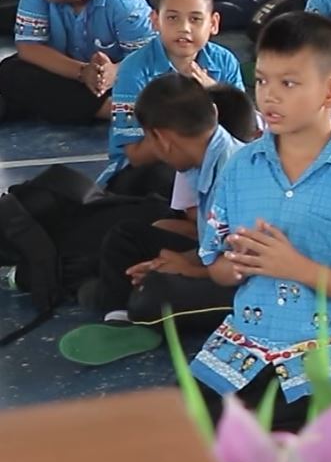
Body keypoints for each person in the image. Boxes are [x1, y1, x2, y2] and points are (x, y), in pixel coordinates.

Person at [190, 13, 331, 432]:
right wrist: (234, 266)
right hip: (247, 338)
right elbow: (215, 266)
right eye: (263, 81)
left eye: (288, 84)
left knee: (320, 440)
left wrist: (297, 268)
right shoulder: (239, 168)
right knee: (192, 432)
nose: (269, 97)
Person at [91, 74, 253, 325]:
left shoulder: (236, 175)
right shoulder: (205, 160)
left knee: (156, 298)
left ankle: (129, 299)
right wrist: (170, 262)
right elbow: (215, 246)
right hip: (221, 262)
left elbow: (248, 268)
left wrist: (189, 271)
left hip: (261, 287)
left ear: (162, 139)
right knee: (126, 237)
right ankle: (119, 312)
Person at [101, 0, 244, 191]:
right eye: (172, 18)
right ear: (155, 21)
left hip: (210, 161)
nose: (184, 28)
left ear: (213, 24)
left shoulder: (225, 61)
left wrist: (216, 94)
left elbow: (242, 133)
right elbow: (136, 155)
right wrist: (183, 113)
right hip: (147, 170)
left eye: (195, 19)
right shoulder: (135, 69)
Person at [0, 0, 155, 123]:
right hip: (65, 68)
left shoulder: (124, 2)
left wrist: (114, 72)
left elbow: (150, 57)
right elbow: (28, 46)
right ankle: (110, 109)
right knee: (10, 71)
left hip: (110, 80)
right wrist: (81, 72)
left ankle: (105, 107)